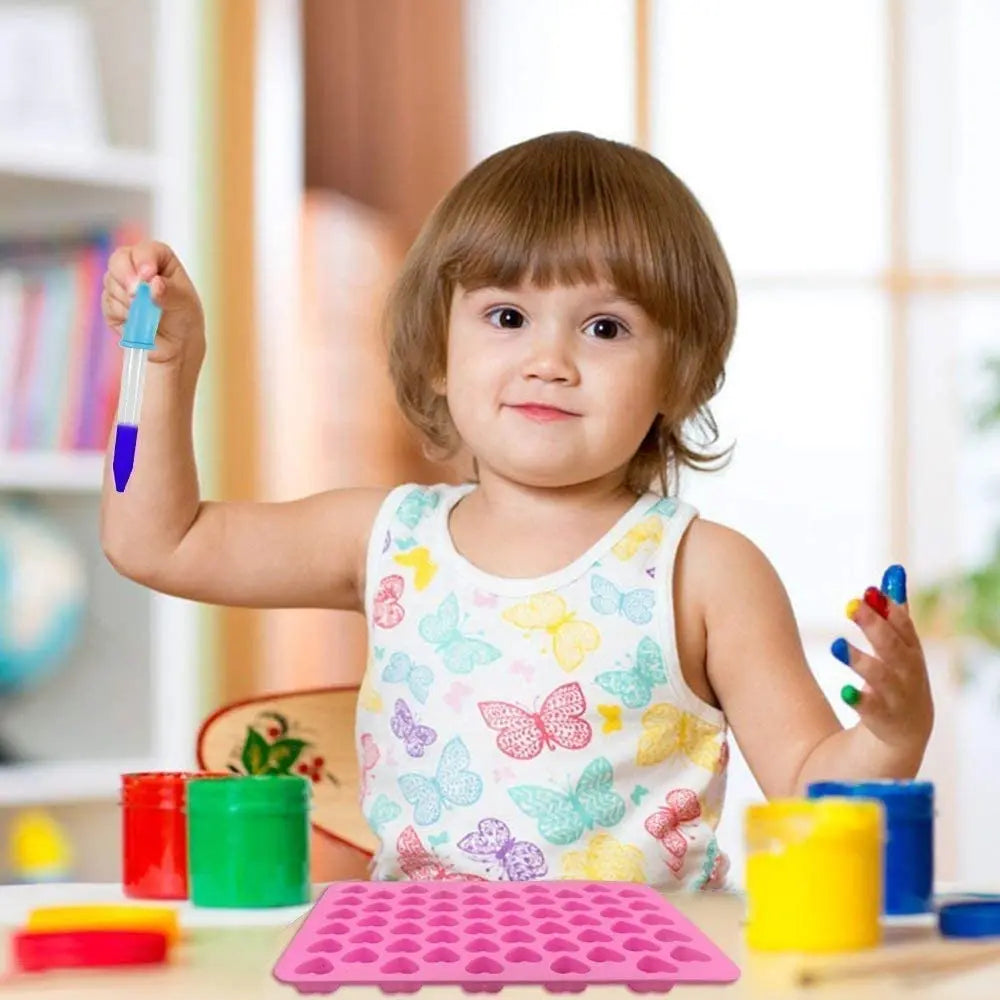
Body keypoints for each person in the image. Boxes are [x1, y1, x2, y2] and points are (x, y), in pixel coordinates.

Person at [100, 131, 933, 889]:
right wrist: (168, 365)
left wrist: (890, 736)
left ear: (678, 376)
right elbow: (161, 543)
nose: (549, 360)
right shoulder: (383, 538)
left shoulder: (706, 570)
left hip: (644, 977)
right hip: (423, 971)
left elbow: (811, 787)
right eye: (507, 316)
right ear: (437, 351)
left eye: (605, 328)